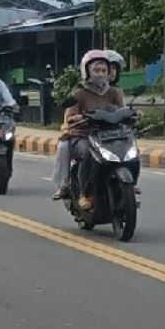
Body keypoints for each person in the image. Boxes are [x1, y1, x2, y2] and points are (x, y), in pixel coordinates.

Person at [58, 50, 125, 210]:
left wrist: (132, 113)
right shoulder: (80, 92)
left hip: (108, 135)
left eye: (104, 70)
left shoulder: (113, 92)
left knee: (129, 150)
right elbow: (70, 113)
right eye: (97, 70)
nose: (101, 74)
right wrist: (75, 118)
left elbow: (121, 110)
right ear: (87, 71)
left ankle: (128, 184)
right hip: (83, 136)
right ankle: (83, 194)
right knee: (88, 154)